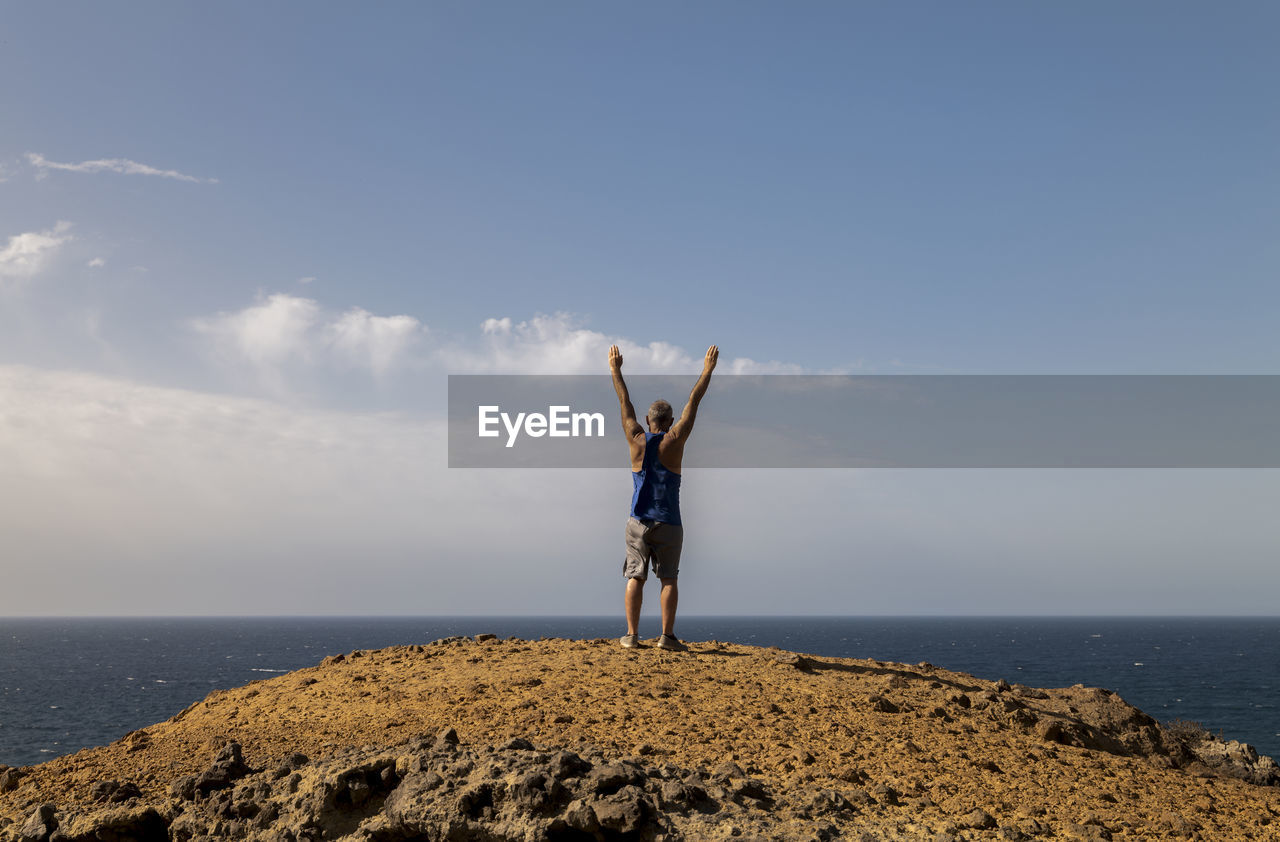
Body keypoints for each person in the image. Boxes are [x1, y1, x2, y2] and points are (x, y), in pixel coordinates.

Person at [608, 343, 718, 651]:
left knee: (635, 577)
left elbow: (624, 402)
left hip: (637, 520)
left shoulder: (636, 439)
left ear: (648, 419)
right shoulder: (675, 440)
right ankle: (667, 638)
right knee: (668, 579)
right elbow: (693, 402)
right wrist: (707, 370)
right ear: (669, 422)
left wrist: (615, 370)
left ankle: (631, 636)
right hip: (669, 521)